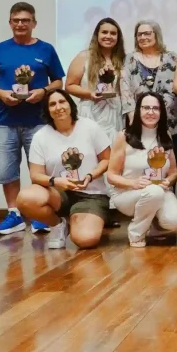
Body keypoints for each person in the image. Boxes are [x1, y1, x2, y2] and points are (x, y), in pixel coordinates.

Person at [0, 2, 64, 236]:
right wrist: (1, 93)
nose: (20, 24)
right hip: (4, 120)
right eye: (16, 20)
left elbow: (59, 82)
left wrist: (44, 92)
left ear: (34, 23)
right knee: (7, 170)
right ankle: (14, 215)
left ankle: (39, 214)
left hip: (38, 120)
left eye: (25, 20)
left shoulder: (46, 49)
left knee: (39, 169)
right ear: (10, 23)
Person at [15, 90, 111, 249]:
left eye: (62, 102)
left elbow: (107, 159)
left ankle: (86, 219)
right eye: (52, 104)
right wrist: (55, 181)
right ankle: (58, 225)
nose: (58, 107)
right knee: (25, 198)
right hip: (58, 194)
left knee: (85, 240)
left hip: (91, 195)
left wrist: (90, 175)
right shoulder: (41, 137)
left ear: (70, 104)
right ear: (47, 110)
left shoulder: (90, 127)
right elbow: (35, 175)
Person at [107, 91, 177, 247]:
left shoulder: (165, 135)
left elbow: (174, 171)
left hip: (160, 191)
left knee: (174, 220)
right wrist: (133, 183)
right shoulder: (124, 136)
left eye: (155, 108)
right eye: (146, 107)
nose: (150, 112)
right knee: (153, 192)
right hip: (127, 193)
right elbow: (111, 175)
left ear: (161, 112)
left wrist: (167, 181)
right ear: (138, 110)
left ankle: (152, 225)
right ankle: (136, 233)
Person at [65, 17, 126, 140]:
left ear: (118, 38)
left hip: (115, 114)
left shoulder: (124, 60)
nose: (108, 36)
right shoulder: (84, 57)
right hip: (90, 112)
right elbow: (69, 86)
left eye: (113, 33)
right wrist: (90, 94)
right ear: (96, 35)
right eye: (104, 32)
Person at [119, 20, 177, 137]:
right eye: (139, 34)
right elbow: (125, 90)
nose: (143, 37)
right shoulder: (130, 59)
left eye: (147, 33)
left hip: (171, 125)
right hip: (139, 125)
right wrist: (133, 120)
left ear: (156, 35)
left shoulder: (172, 58)